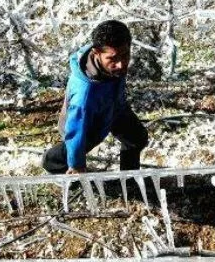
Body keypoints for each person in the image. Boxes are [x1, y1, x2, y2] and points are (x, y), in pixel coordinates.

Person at [42, 20, 148, 175]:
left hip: (114, 108)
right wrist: (77, 165)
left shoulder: (112, 65)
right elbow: (75, 130)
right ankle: (57, 167)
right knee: (62, 158)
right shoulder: (84, 94)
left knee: (136, 138)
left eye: (125, 55)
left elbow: (117, 63)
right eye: (113, 59)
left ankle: (129, 180)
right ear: (96, 53)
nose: (121, 64)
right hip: (88, 123)